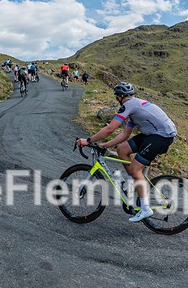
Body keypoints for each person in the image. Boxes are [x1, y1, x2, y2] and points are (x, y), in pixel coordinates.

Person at [76, 82, 177, 222]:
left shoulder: (128, 105)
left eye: (117, 97)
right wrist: (105, 145)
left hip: (161, 136)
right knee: (122, 150)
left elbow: (110, 129)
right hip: (153, 134)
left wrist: (88, 140)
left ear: (119, 97)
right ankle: (132, 185)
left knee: (136, 170)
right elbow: (125, 135)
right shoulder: (134, 108)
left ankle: (145, 209)